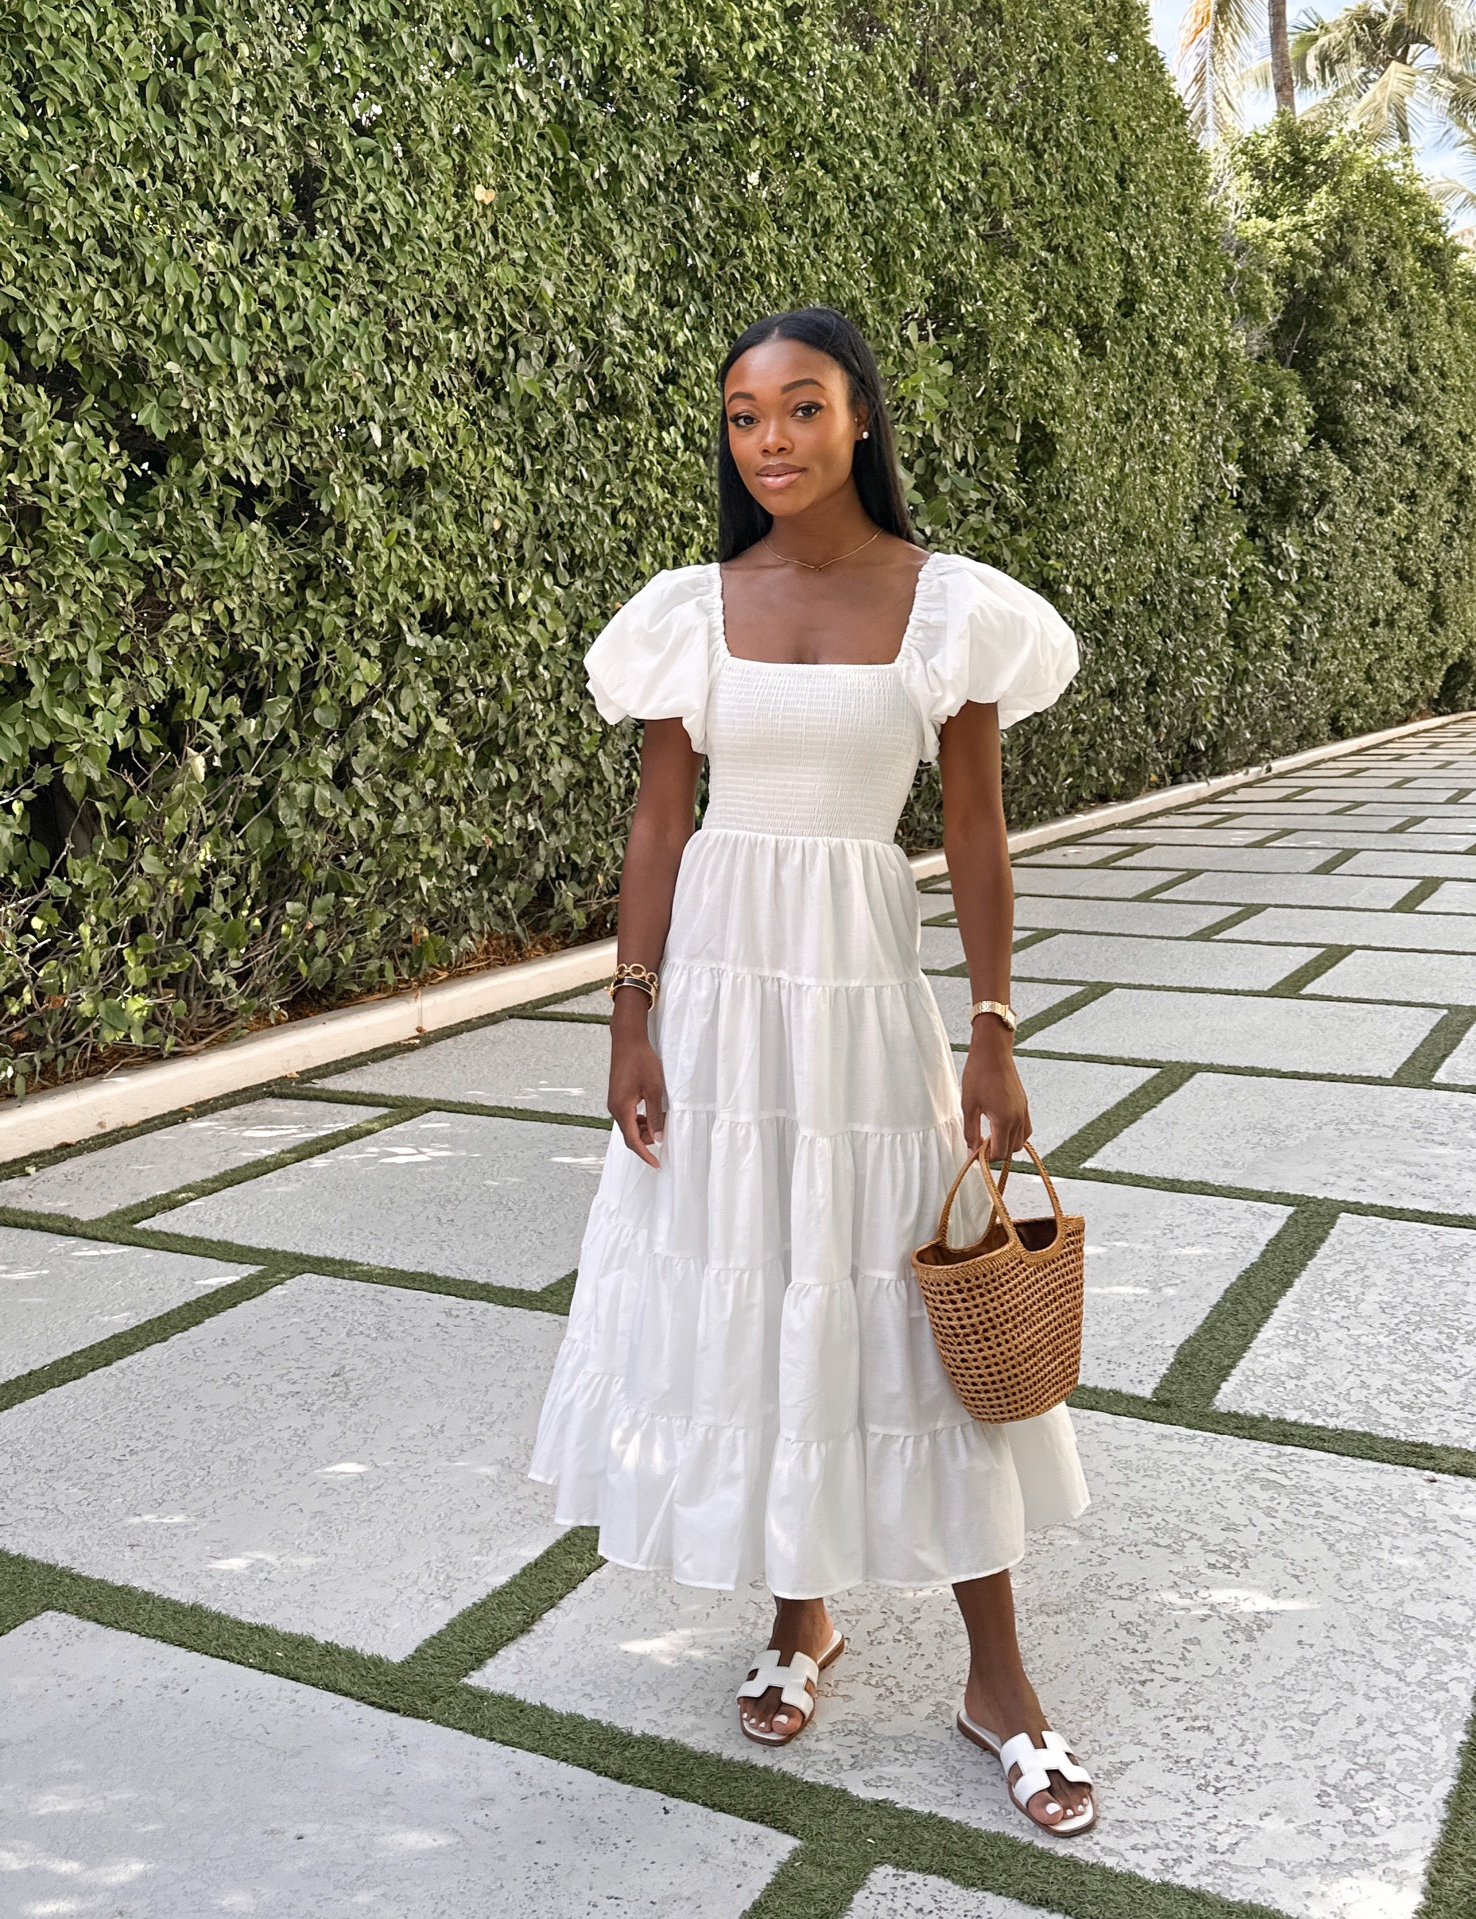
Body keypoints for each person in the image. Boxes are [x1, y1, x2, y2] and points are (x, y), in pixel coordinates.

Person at [530, 307, 1096, 1836]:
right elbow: (659, 825)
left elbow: (973, 831)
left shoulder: (945, 608)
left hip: (857, 995)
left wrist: (993, 1026)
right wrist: (628, 1018)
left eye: (800, 407)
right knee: (768, 1285)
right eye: (741, 416)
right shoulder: (688, 608)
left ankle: (1000, 1683)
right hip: (717, 1002)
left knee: (908, 1306)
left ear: (861, 421)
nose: (768, 439)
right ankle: (801, 1615)